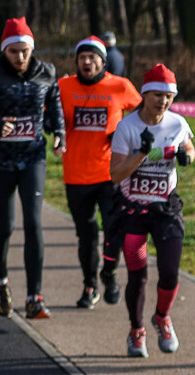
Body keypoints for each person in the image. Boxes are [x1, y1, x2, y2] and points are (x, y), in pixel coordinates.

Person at [109, 64, 195, 358]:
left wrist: (187, 157)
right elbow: (116, 175)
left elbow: (190, 147)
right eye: (157, 95)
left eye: (169, 96)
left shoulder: (177, 123)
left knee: (170, 271)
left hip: (166, 208)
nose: (163, 101)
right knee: (138, 275)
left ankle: (162, 317)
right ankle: (136, 330)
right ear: (145, 95)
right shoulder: (127, 127)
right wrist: (142, 154)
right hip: (133, 211)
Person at [59, 36, 143, 309]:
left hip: (111, 175)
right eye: (82, 57)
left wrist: (126, 136)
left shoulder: (120, 86)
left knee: (114, 231)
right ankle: (90, 285)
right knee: (86, 236)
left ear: (103, 62)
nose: (87, 62)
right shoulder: (63, 87)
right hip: (76, 176)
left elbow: (143, 113)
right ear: (76, 61)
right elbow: (45, 115)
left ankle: (109, 273)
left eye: (93, 57)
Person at [0, 17, 66, 320]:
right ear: (4, 51)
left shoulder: (46, 72)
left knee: (34, 224)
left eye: (24, 51)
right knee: (4, 227)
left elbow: (55, 106)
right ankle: (1, 283)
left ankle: (34, 297)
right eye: (13, 52)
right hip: (1, 161)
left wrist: (60, 134)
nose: (20, 57)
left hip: (33, 159)